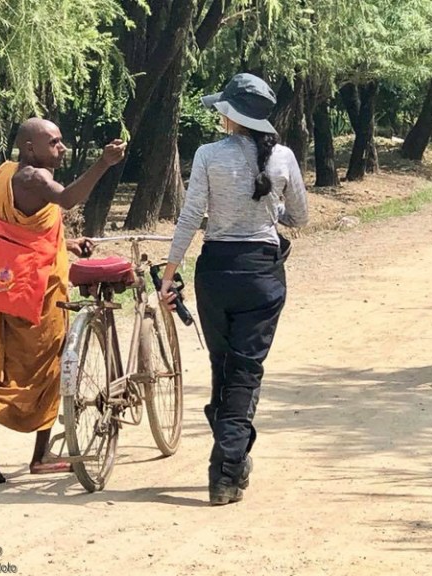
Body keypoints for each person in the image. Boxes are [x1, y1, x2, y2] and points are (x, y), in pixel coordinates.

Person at [160, 73, 309, 506]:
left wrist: (169, 274)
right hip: (262, 274)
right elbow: (299, 218)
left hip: (216, 272)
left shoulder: (208, 155)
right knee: (244, 371)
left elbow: (190, 217)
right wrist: (272, 207)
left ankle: (230, 456)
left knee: (223, 366)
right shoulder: (283, 157)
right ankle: (226, 467)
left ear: (230, 115)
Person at [0, 118, 126, 484]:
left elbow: (15, 235)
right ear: (30, 147)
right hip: (35, 293)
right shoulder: (33, 178)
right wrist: (104, 164)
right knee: (50, 367)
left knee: (1, 367)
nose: (61, 148)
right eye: (54, 142)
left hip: (0, 286)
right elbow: (66, 198)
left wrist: (67, 244)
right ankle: (41, 455)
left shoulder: (2, 176)